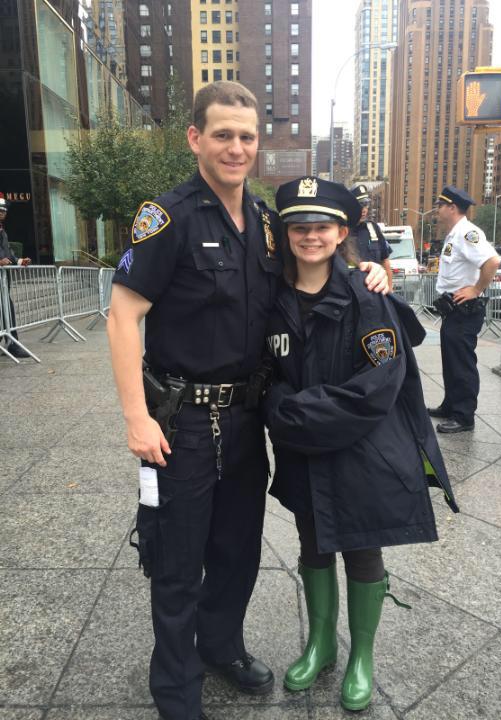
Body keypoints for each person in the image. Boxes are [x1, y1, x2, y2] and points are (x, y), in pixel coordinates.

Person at [107, 81, 389, 720]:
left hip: (245, 418)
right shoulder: (168, 216)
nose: (236, 148)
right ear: (195, 138)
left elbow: (312, 265)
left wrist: (365, 270)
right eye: (223, 135)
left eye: (247, 137)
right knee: (177, 562)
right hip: (179, 423)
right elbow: (123, 317)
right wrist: (135, 418)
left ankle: (221, 648)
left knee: (238, 551)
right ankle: (176, 689)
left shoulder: (264, 221)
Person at [263, 176, 458, 713]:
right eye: (299, 227)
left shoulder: (366, 294)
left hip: (358, 450)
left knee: (362, 549)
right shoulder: (272, 298)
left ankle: (361, 657)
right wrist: (278, 407)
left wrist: (293, 413)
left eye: (321, 226)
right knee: (312, 543)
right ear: (286, 235)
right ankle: (321, 644)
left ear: (340, 232)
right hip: (301, 451)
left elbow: (378, 385)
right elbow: (263, 370)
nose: (310, 236)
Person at [428, 186, 500, 434]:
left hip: (465, 308)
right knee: (451, 361)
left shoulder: (468, 233)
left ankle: (464, 416)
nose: (437, 210)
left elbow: (492, 261)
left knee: (461, 363)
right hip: (453, 309)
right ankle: (450, 405)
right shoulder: (454, 235)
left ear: (452, 208)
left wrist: (476, 289)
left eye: (440, 206)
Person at [0, 193, 31, 359]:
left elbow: (8, 252)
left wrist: (19, 261)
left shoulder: (2, 230)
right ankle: (12, 344)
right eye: (0, 210)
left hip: (3, 279)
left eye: (4, 210)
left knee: (7, 308)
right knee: (6, 308)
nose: (3, 212)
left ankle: (12, 343)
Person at [349, 183, 393, 290]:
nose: (364, 209)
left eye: (366, 204)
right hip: (351, 292)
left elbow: (385, 262)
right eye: (360, 205)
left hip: (375, 292)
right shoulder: (342, 232)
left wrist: (390, 290)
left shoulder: (373, 229)